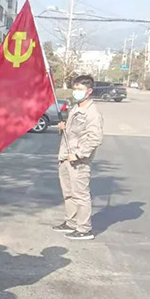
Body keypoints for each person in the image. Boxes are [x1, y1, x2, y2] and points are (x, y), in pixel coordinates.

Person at [53, 74, 104, 241]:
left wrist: (79, 154)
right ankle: (71, 222)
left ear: (89, 91)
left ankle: (84, 229)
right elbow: (74, 132)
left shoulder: (92, 113)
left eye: (80, 89)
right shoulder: (75, 108)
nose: (76, 92)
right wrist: (63, 127)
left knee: (80, 195)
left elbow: (94, 138)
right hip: (66, 156)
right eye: (74, 88)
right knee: (68, 193)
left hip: (78, 160)